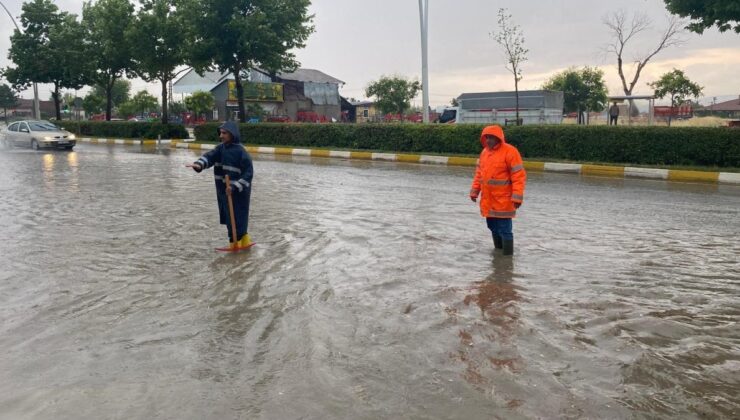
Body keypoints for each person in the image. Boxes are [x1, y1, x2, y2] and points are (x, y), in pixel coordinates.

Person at [187, 121, 254, 247]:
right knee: (230, 217)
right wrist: (199, 164)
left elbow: (248, 174)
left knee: (238, 217)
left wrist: (234, 187)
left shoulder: (241, 152)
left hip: (238, 194)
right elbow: (209, 157)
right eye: (220, 133)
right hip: (224, 191)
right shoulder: (220, 149)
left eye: (224, 133)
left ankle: (236, 244)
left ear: (232, 134)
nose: (221, 136)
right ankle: (243, 243)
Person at [469, 125, 526, 256]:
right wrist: (474, 191)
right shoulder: (484, 153)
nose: (488, 140)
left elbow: (519, 176)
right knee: (493, 228)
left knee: (505, 229)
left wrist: (517, 197)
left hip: (504, 199)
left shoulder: (510, 152)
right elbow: (479, 174)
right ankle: (499, 258)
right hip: (488, 199)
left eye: (491, 137)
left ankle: (507, 259)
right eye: (487, 137)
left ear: (499, 138)